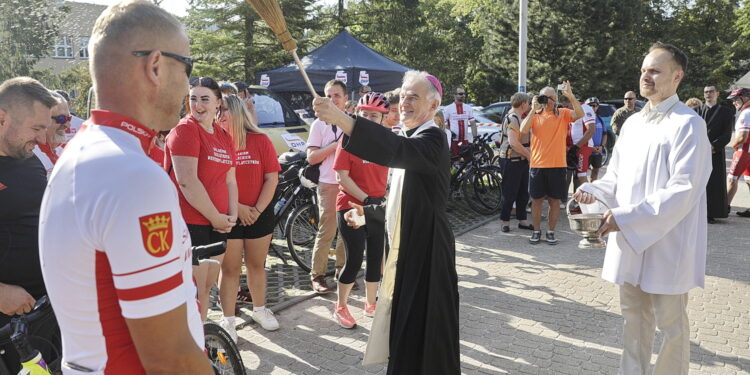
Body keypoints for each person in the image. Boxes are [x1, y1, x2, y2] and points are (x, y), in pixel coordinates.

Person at [38, 1, 213, 373]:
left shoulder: (88, 150)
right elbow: (170, 359)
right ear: (154, 66)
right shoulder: (131, 174)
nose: (188, 86)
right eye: (187, 68)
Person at [574, 42, 711, 375]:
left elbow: (684, 190)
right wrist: (591, 191)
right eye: (643, 70)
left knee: (671, 327)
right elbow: (616, 177)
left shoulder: (688, 124)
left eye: (655, 70)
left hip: (668, 242)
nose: (646, 76)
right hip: (630, 239)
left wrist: (624, 217)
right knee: (633, 319)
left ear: (677, 76)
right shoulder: (633, 124)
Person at [313, 70, 459, 374]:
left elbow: (398, 153)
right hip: (410, 245)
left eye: (414, 97)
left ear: (433, 106)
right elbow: (403, 202)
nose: (404, 102)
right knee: (406, 327)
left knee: (425, 327)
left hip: (427, 249)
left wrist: (343, 119)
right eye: (403, 95)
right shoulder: (412, 136)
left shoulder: (432, 138)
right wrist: (368, 212)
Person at [164, 76, 238, 322]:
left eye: (205, 99)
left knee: (206, 286)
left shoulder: (224, 135)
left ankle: (202, 334)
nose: (198, 105)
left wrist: (232, 215)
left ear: (218, 102)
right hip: (191, 223)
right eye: (193, 99)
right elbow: (187, 182)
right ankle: (191, 344)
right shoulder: (185, 130)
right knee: (191, 288)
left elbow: (230, 180)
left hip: (219, 223)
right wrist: (217, 218)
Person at [0, 77, 60, 374]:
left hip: (43, 313)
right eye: (36, 129)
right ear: (2, 118)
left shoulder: (30, 159)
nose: (42, 138)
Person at [217, 95, 280, 340]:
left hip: (258, 215)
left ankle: (260, 310)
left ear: (236, 112)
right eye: (218, 110)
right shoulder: (216, 144)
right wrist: (239, 208)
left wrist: (255, 210)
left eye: (223, 109)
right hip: (229, 215)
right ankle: (228, 320)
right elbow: (215, 182)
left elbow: (271, 178)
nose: (219, 114)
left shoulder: (261, 140)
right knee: (230, 268)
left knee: (257, 265)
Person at [331, 92, 390, 329]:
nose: (367, 119)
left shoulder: (387, 140)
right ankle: (341, 306)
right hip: (351, 205)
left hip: (377, 204)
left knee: (376, 256)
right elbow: (341, 177)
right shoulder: (347, 139)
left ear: (383, 118)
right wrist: (367, 200)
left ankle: (370, 302)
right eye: (364, 114)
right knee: (354, 259)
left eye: (373, 116)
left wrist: (381, 199)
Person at [520, 83, 584, 245]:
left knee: (555, 201)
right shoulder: (535, 114)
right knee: (536, 200)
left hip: (557, 165)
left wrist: (570, 95)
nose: (544, 101)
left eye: (547, 97)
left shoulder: (562, 113)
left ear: (554, 99)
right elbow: (523, 130)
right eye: (542, 97)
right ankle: (536, 231)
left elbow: (580, 114)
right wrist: (533, 109)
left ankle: (550, 231)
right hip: (537, 165)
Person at [306, 79, 347, 294]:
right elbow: (311, 157)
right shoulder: (319, 124)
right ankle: (318, 275)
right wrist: (333, 146)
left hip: (350, 184)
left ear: (345, 98)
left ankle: (342, 271)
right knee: (328, 230)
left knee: (348, 230)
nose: (332, 100)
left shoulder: (351, 121)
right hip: (329, 183)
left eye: (337, 95)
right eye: (328, 96)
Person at [497, 92, 533, 232]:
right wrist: (529, 155)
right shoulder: (513, 118)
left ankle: (522, 220)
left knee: (523, 192)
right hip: (511, 160)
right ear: (523, 104)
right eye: (528, 103)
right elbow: (513, 143)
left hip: (520, 160)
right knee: (510, 192)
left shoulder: (518, 117)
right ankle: (505, 221)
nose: (529, 106)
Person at [699, 85, 734, 222]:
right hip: (699, 152)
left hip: (715, 152)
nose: (708, 94)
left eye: (711, 91)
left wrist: (713, 146)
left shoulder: (726, 112)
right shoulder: (696, 111)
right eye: (706, 92)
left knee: (714, 182)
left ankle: (712, 212)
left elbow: (727, 134)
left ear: (717, 94)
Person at [32, 91, 71, 177]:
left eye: (69, 118)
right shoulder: (28, 155)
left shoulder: (65, 150)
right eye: (61, 119)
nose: (68, 125)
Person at [561, 95, 596, 192]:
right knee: (577, 175)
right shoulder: (571, 111)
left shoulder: (585, 108)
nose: (565, 109)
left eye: (567, 106)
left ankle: (590, 201)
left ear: (572, 102)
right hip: (574, 146)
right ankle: (579, 202)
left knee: (581, 175)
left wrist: (576, 147)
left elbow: (591, 130)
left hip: (583, 146)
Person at [726, 87, 750, 216]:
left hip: (744, 151)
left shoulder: (746, 113)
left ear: (745, 98)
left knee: (731, 179)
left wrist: (734, 146)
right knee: (748, 180)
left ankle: (724, 208)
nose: (733, 102)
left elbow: (742, 137)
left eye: (736, 99)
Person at [444, 86, 477, 157]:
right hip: (453, 142)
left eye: (464, 94)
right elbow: (444, 124)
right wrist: (450, 133)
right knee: (456, 163)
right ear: (454, 95)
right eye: (461, 94)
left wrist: (475, 137)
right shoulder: (448, 108)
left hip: (465, 141)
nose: (463, 96)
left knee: (468, 163)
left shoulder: (468, 108)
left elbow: (473, 124)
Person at [586, 97, 608, 181]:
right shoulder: (583, 119)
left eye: (594, 105)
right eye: (590, 105)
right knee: (583, 173)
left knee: (595, 172)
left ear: (597, 107)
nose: (592, 107)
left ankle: (592, 191)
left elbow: (605, 134)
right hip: (587, 150)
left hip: (598, 151)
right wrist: (590, 147)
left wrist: (602, 146)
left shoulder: (600, 120)